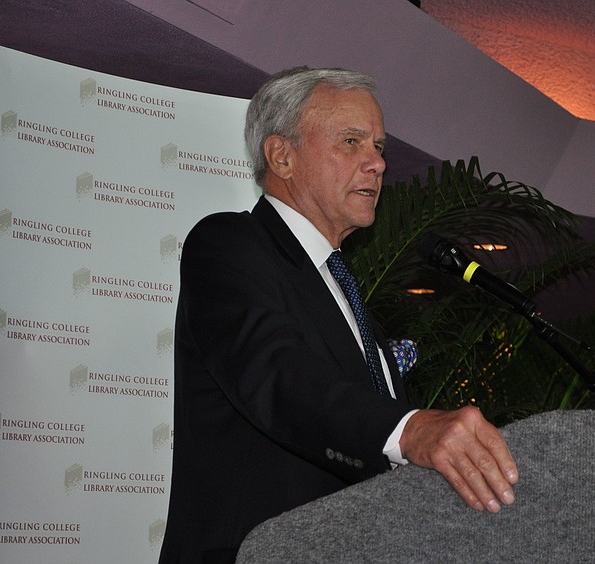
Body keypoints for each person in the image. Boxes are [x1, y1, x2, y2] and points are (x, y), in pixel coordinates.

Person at [160, 66, 519, 563]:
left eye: (379, 147)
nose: (377, 164)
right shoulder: (230, 244)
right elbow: (277, 372)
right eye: (352, 142)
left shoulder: (347, 295)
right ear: (281, 155)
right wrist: (411, 430)